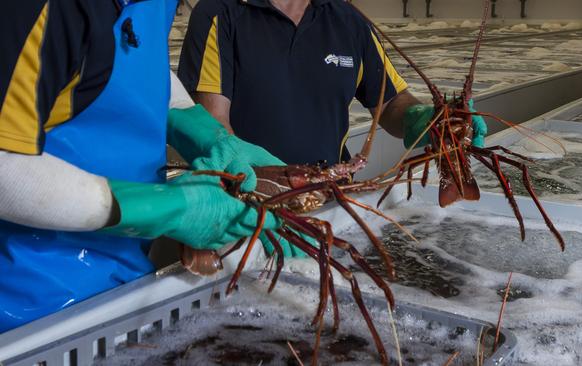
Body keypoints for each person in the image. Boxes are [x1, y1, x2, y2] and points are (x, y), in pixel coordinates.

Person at [0, 0, 286, 333]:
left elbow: (133, 58)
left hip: (121, 280)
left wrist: (204, 132)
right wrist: (166, 209)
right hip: (28, 306)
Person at [177, 0, 488, 252]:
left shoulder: (349, 20)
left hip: (332, 204)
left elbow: (392, 103)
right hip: (249, 211)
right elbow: (214, 124)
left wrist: (422, 118)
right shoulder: (221, 12)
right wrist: (256, 198)